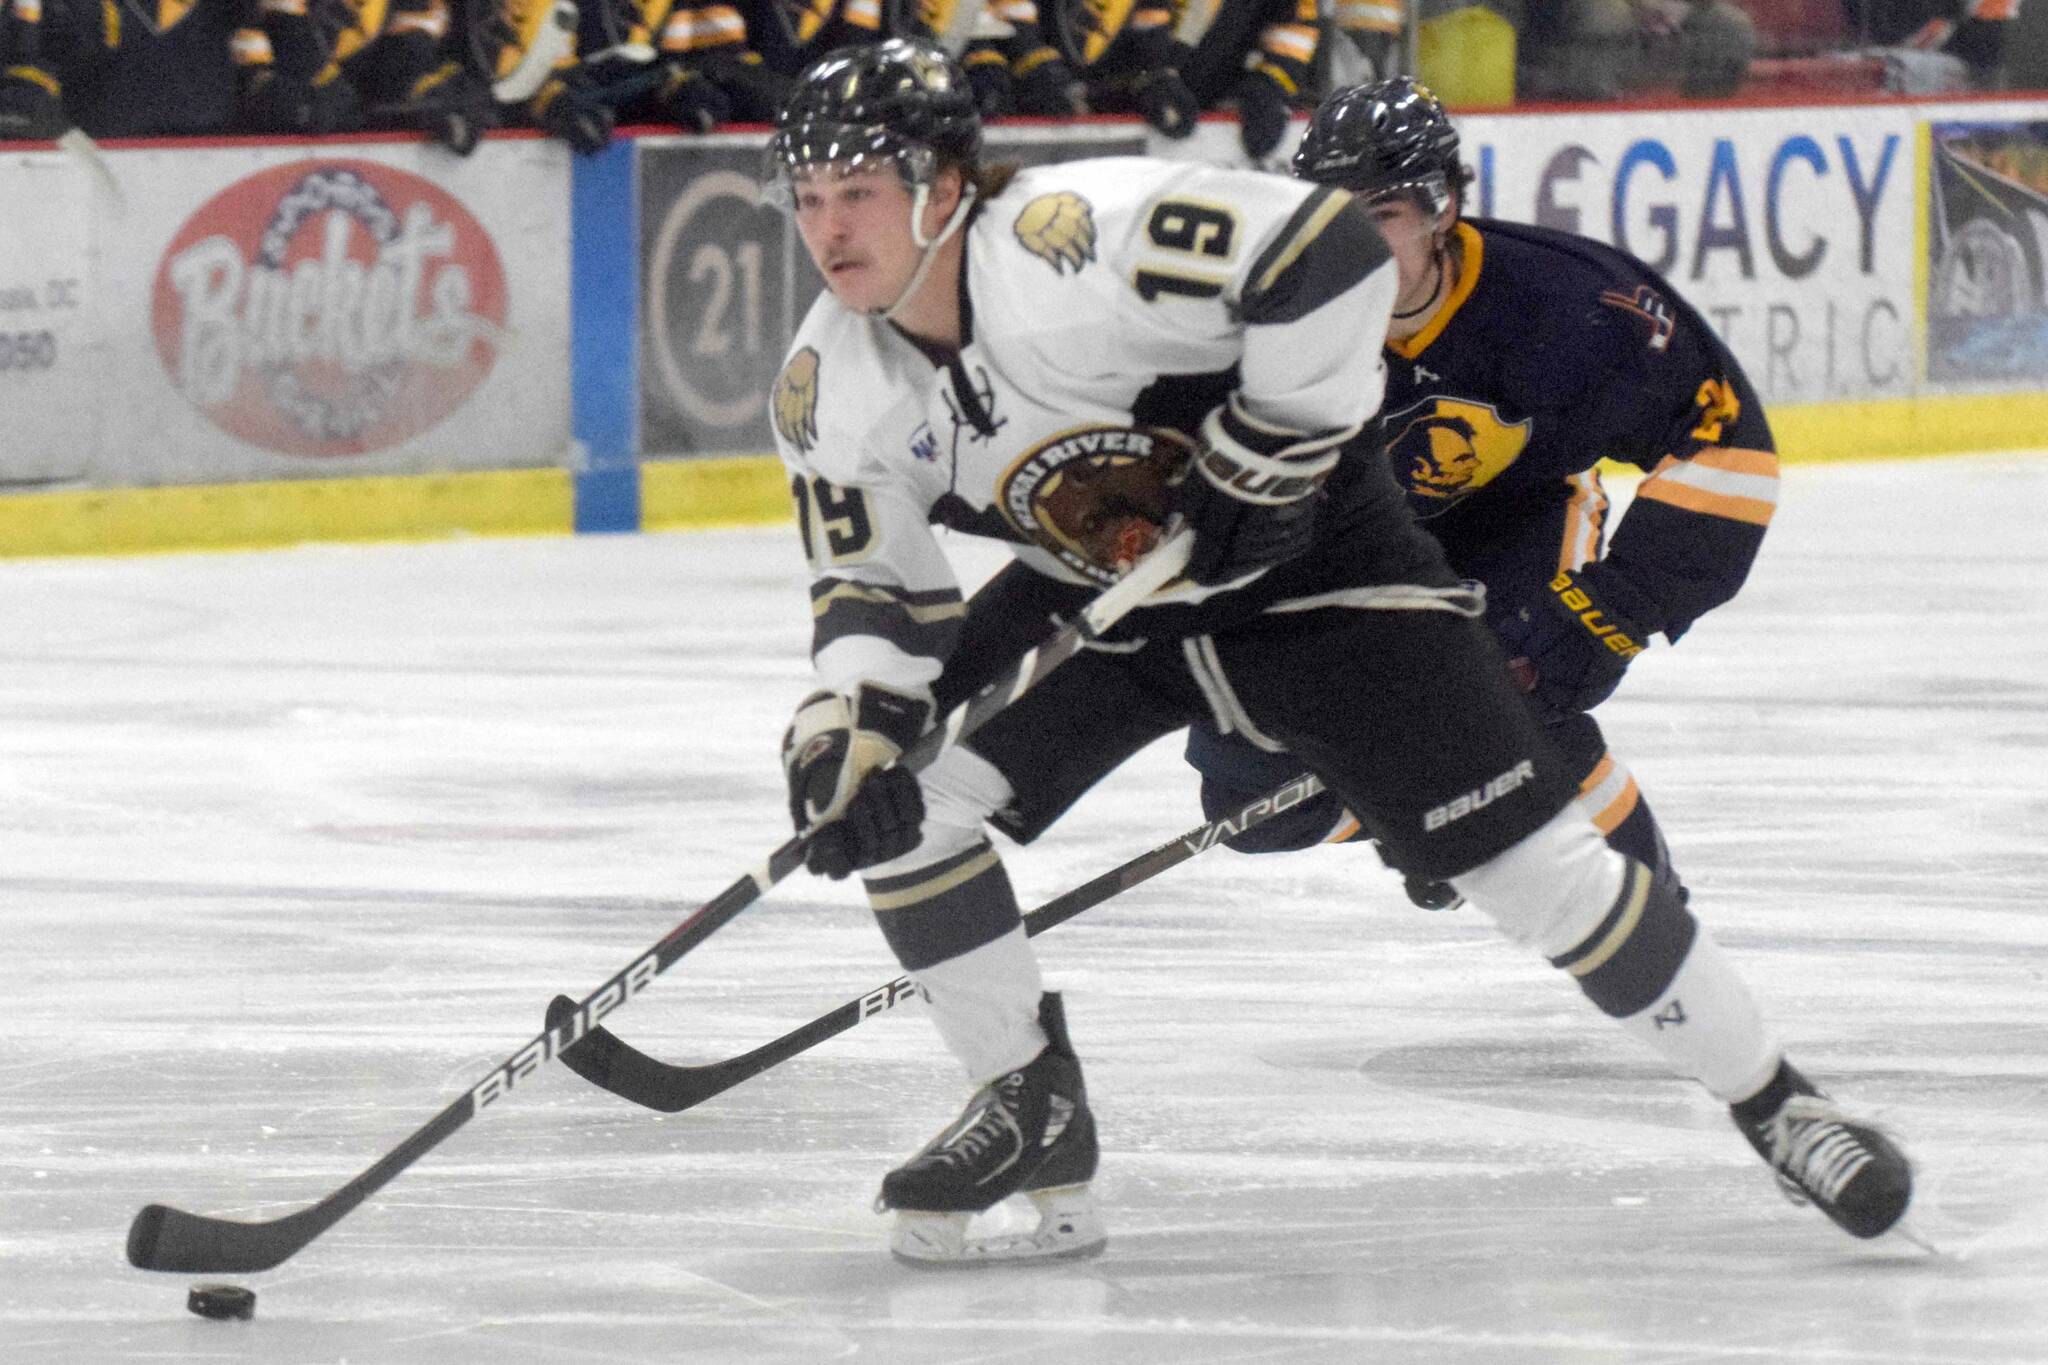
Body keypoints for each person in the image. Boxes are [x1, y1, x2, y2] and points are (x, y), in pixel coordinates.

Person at [765, 36, 1914, 1266]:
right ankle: (1026, 1101)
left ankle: (1777, 1102)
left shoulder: (1069, 234)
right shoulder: (827, 383)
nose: (832, 232)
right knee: (911, 796)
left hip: (1323, 573)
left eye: (860, 193)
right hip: (1104, 596)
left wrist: (1273, 441)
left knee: (1534, 876)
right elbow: (874, 587)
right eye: (809, 200)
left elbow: (1329, 253)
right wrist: (852, 725)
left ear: (942, 188)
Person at [1181, 75, 1774, 929]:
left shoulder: (1570, 303)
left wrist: (1617, 607)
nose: (1353, 244)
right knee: (1261, 809)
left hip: (1518, 518)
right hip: (1348, 545)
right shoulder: (1255, 327)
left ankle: (1652, 918)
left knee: (1516, 702)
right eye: (1330, 214)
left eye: (1380, 216)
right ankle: (1443, 822)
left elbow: (1726, 443)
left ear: (1442, 205)